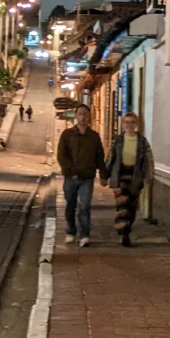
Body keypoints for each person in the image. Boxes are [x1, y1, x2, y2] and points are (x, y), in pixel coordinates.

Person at [57, 104, 108, 247]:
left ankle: (84, 234)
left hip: (87, 177)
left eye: (86, 114)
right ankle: (71, 231)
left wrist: (103, 175)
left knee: (84, 206)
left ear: (89, 116)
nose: (83, 117)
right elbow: (62, 155)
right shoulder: (67, 135)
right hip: (71, 178)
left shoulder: (94, 137)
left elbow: (99, 157)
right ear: (76, 115)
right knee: (70, 206)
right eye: (80, 114)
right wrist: (70, 171)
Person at [105, 112, 155, 247]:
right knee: (122, 206)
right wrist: (105, 175)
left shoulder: (142, 142)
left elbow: (148, 160)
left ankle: (126, 229)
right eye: (126, 122)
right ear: (123, 124)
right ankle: (123, 234)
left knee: (131, 208)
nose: (129, 125)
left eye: (132, 122)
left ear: (137, 124)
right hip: (120, 177)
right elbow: (110, 158)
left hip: (135, 178)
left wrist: (149, 177)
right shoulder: (118, 140)